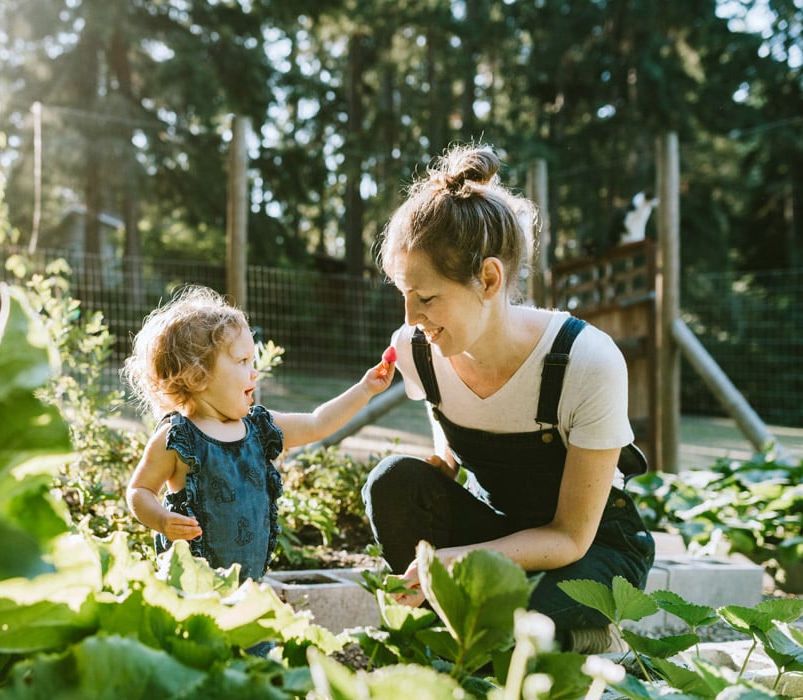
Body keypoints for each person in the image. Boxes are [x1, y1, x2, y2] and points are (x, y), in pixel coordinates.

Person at [363, 144, 655, 654]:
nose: (410, 317)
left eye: (427, 298)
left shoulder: (586, 360)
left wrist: (466, 561)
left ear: (490, 279)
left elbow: (569, 537)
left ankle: (585, 635)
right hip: (504, 531)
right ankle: (470, 634)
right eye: (403, 294)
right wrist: (444, 467)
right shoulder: (419, 350)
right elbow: (450, 426)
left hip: (589, 552)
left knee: (516, 604)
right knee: (392, 481)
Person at [124, 285, 394, 584]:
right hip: (191, 582)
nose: (254, 373)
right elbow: (139, 491)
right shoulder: (177, 438)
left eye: (253, 362)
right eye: (242, 362)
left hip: (249, 581)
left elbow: (318, 423)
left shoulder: (259, 428)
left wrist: (366, 389)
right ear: (197, 375)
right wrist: (161, 519)